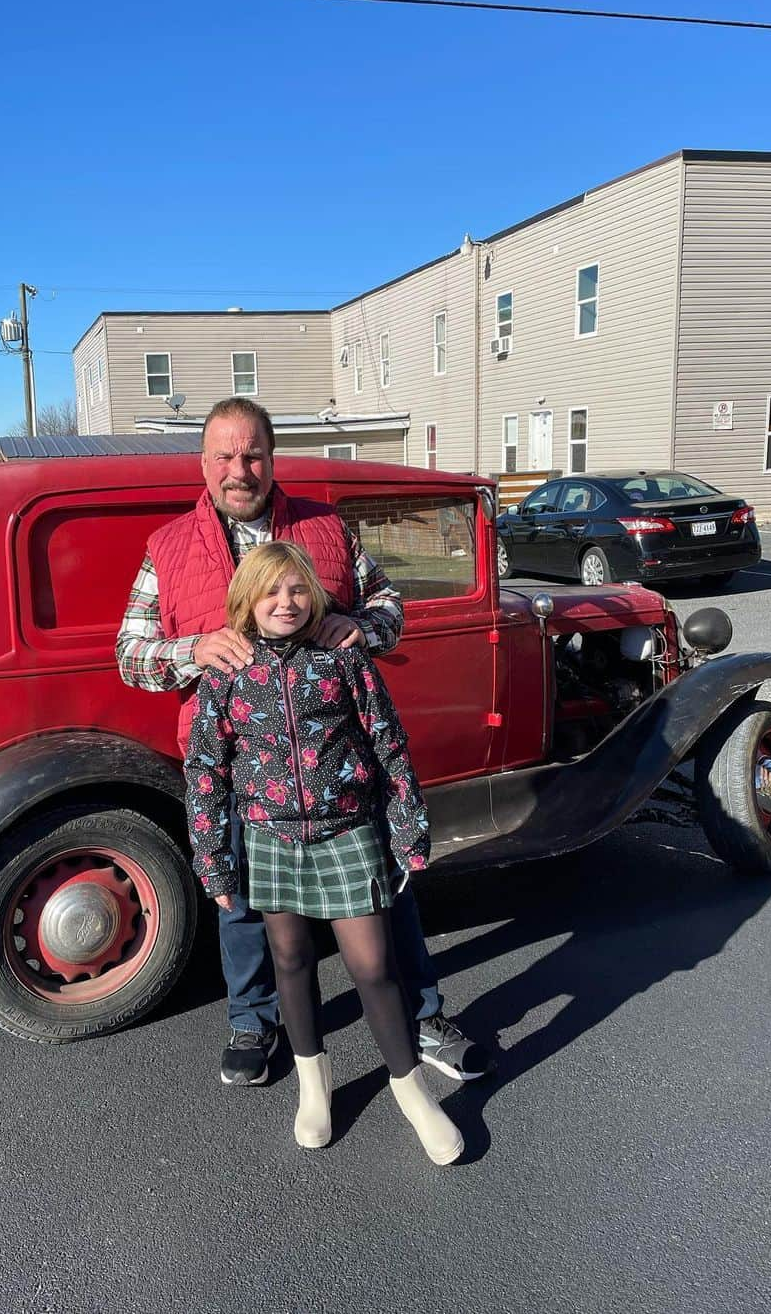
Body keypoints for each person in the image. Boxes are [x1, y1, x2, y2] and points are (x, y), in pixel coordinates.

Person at [116, 396, 491, 1088]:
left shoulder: (326, 528)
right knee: (243, 904)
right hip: (239, 769)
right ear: (204, 464)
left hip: (340, 765)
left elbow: (390, 608)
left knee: (386, 897)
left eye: (252, 453)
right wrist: (192, 648)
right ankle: (254, 1022)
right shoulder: (166, 548)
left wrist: (358, 626)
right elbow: (129, 655)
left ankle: (422, 1013)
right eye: (225, 456)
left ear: (271, 457)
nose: (240, 469)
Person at [183, 542, 462, 1163]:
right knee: (290, 961)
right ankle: (315, 1083)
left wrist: (409, 829)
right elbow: (205, 769)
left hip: (349, 832)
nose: (285, 602)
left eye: (297, 590)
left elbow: (388, 743)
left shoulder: (343, 660)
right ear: (246, 601)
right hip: (270, 836)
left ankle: (410, 1088)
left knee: (373, 967)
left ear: (315, 597)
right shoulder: (227, 675)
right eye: (271, 591)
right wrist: (212, 859)